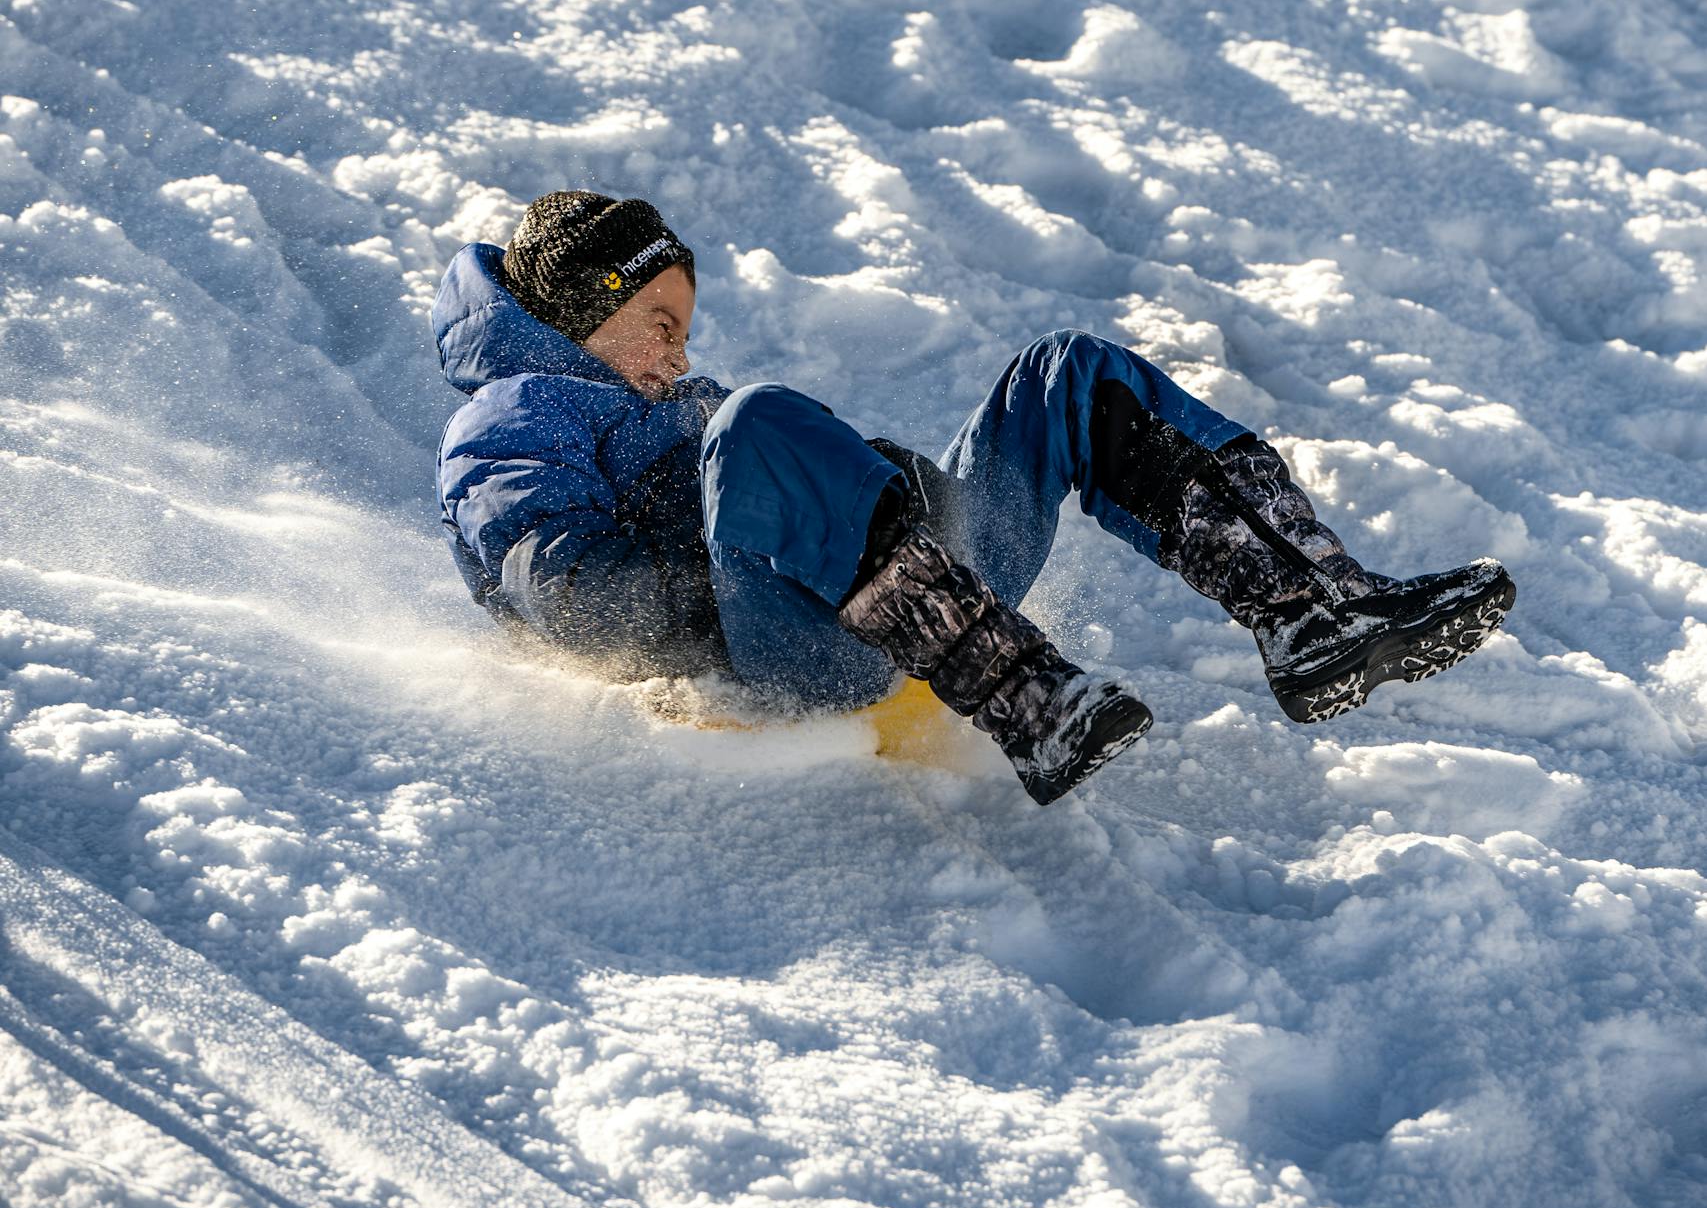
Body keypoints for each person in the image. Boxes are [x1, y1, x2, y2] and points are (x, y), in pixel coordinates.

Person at [432, 191, 1515, 806]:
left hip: (909, 592)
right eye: (660, 321)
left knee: (1067, 374)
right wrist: (720, 583)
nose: (679, 350)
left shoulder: (677, 399)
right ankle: (1024, 698)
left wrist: (886, 484)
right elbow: (564, 593)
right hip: (785, 640)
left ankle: (1313, 609)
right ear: (582, 312)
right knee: (762, 420)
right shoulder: (511, 421)